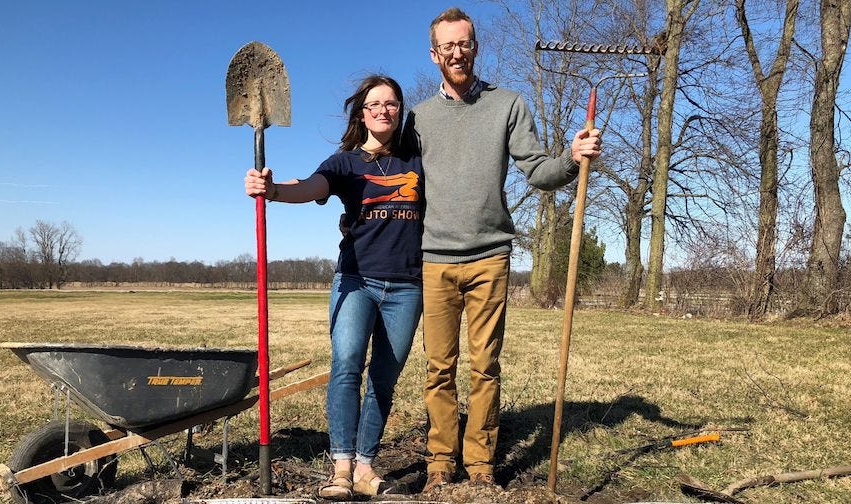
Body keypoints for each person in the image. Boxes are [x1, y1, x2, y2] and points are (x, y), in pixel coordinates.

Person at [402, 7, 603, 492]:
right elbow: (392, 175)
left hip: (490, 256)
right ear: (434, 55)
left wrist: (572, 160)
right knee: (438, 368)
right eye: (447, 46)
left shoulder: (508, 105)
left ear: (475, 47)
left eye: (464, 43)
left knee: (485, 366)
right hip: (435, 259)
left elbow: (537, 170)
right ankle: (439, 461)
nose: (457, 52)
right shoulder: (418, 119)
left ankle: (481, 463)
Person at [244, 75, 422, 500]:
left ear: (400, 112)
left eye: (392, 103)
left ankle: (365, 466)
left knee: (384, 376)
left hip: (407, 286)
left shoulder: (416, 160)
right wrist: (273, 190)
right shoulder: (345, 162)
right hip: (356, 281)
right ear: (362, 114)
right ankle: (341, 467)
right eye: (374, 104)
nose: (383, 110)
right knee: (346, 367)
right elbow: (310, 187)